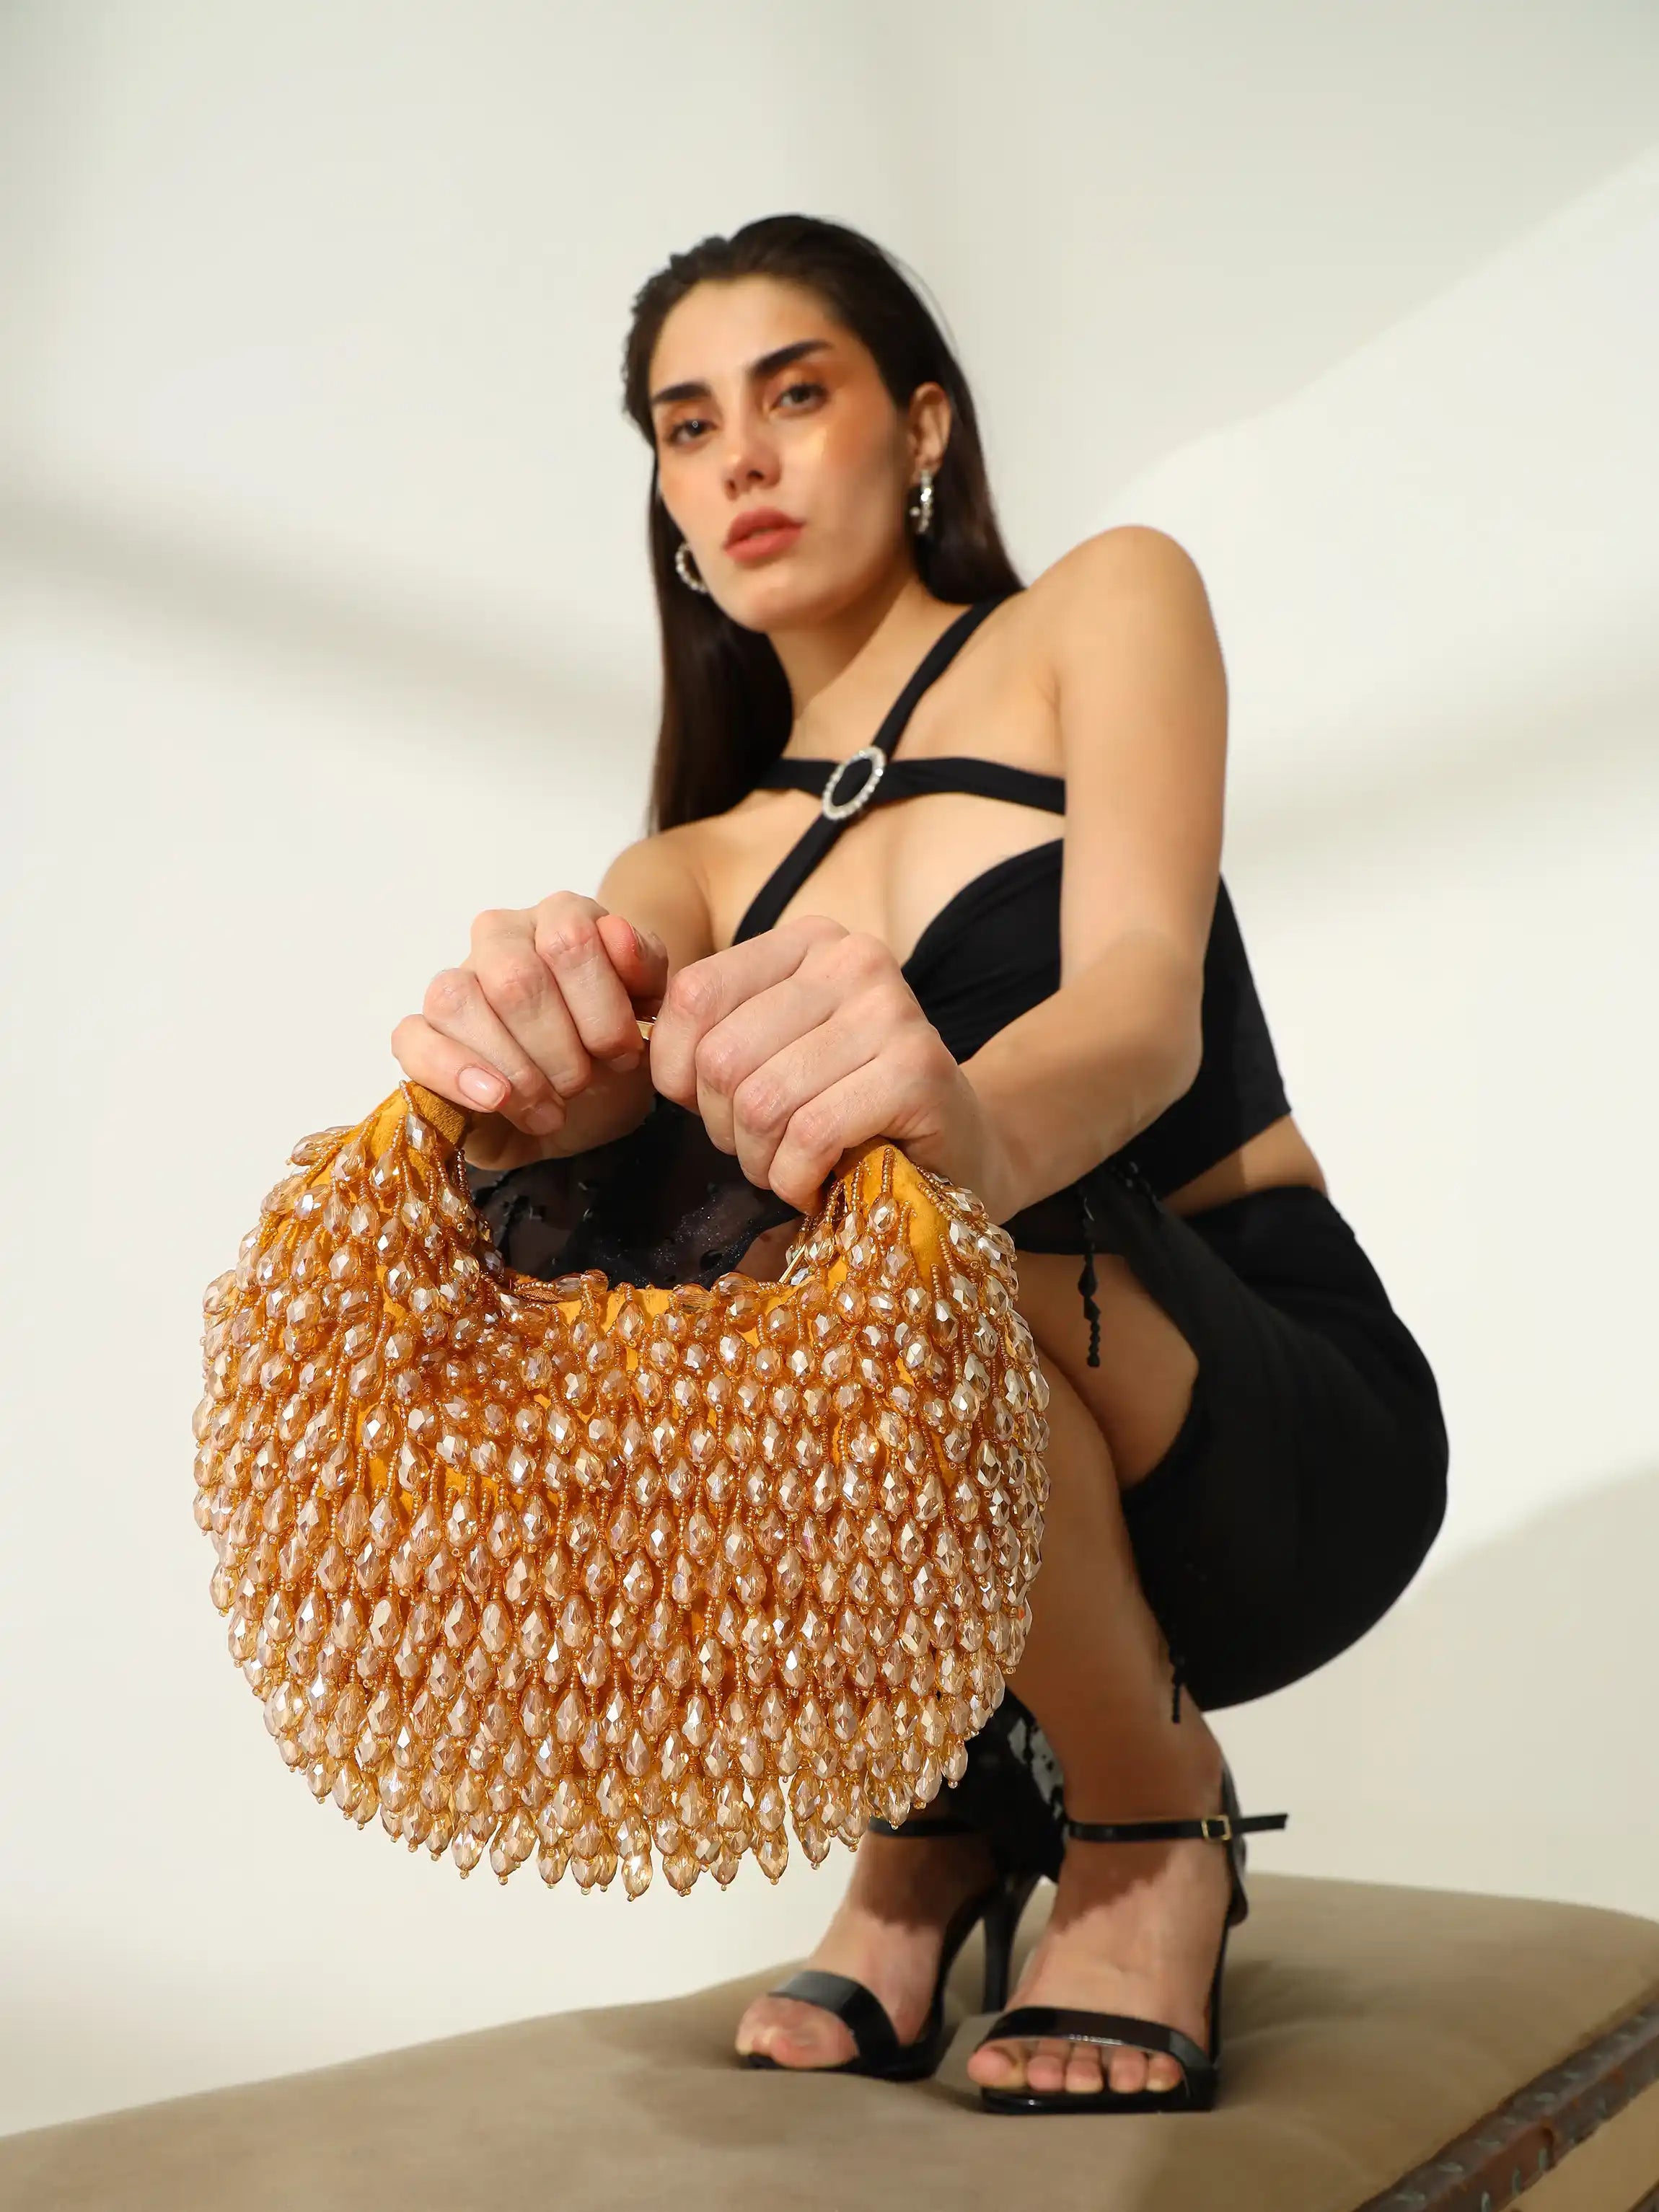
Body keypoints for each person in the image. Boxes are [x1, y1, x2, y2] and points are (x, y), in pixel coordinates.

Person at [390, 213, 1449, 2115]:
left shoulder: (1094, 614)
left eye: (795, 393)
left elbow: (1140, 1004)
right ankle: (941, 1805)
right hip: (939, 1551)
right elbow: (653, 1244)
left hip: (1248, 1427)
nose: (740, 455)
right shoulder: (688, 865)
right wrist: (525, 1118)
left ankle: (1142, 1820)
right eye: (684, 422)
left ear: (924, 424)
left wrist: (954, 1134)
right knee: (683, 1209)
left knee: (910, 1166)